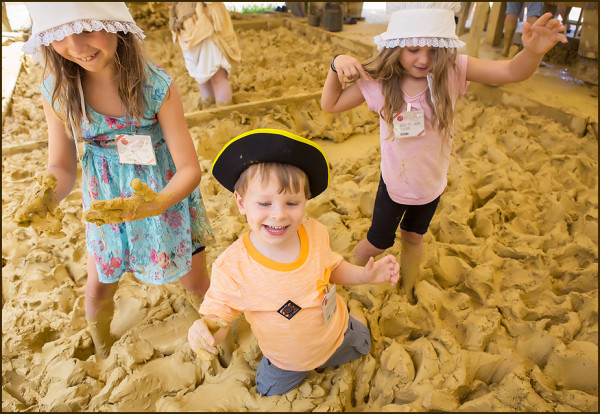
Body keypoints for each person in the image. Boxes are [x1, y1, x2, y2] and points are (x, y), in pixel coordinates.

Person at [321, 2, 566, 302]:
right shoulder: (380, 81)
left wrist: (533, 52)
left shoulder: (452, 70)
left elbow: (511, 71)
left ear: (444, 48)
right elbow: (330, 104)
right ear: (395, 46)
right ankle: (348, 280)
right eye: (413, 49)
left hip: (431, 185)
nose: (424, 59)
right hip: (395, 183)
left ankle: (407, 291)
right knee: (376, 243)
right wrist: (336, 65)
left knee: (413, 237)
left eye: (433, 49)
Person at [16, 2, 214, 359]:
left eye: (87, 29)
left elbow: (189, 169)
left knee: (196, 280)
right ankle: (102, 344)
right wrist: (47, 196)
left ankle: (219, 341)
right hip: (106, 205)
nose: (76, 46)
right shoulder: (58, 91)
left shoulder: (156, 86)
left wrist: (158, 203)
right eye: (60, 34)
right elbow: (61, 167)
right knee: (98, 286)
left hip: (163, 195)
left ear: (115, 24)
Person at [187, 129, 400, 396]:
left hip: (337, 334)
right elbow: (218, 319)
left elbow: (332, 268)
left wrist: (366, 276)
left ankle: (355, 319)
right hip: (287, 361)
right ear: (241, 202)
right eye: (264, 203)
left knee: (363, 342)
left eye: (291, 202)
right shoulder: (233, 268)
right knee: (267, 390)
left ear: (305, 201)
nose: (278, 215)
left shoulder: (315, 232)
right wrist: (204, 331)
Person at [169, 2, 241, 108]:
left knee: (214, 75)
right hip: (189, 24)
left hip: (204, 22)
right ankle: (209, 109)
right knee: (204, 78)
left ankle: (224, 112)